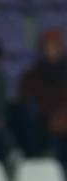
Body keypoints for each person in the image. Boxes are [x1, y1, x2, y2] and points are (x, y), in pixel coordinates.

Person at [16, 28, 67, 164]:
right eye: (48, 47)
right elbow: (25, 103)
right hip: (43, 126)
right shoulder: (31, 76)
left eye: (55, 47)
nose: (52, 51)